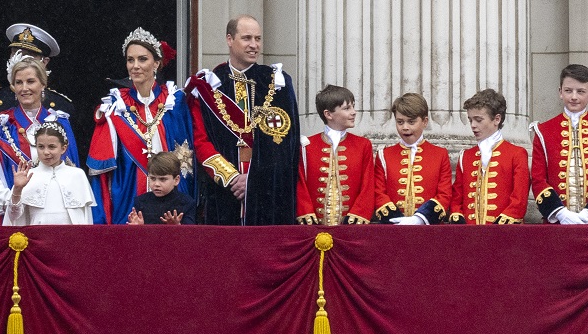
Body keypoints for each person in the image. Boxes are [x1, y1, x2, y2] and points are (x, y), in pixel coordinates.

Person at [185, 14, 301, 225]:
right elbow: (200, 141)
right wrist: (231, 178)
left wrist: (254, 180)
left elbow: (285, 144)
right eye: (247, 38)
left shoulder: (278, 82)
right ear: (230, 39)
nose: (254, 45)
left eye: (258, 39)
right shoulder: (207, 86)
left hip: (268, 193)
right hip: (224, 192)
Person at [87, 27, 196, 224]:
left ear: (156, 63)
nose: (135, 66)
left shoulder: (174, 100)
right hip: (129, 191)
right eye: (130, 60)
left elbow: (185, 155)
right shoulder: (116, 105)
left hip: (169, 193)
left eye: (142, 59)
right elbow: (104, 165)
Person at [0, 56, 80, 225]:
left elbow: (71, 173)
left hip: (53, 216)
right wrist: (12, 200)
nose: (24, 88)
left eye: (30, 81)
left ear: (43, 84)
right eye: (19, 82)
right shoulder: (0, 126)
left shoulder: (60, 123)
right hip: (11, 215)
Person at [530, 64, 588, 224]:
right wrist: (559, 213)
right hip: (557, 224)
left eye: (581, 91)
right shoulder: (543, 130)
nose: (574, 97)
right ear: (560, 92)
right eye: (568, 90)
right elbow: (538, 178)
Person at [296, 85, 375, 225]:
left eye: (353, 107)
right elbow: (300, 183)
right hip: (314, 227)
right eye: (347, 108)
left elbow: (368, 184)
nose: (354, 112)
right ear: (328, 114)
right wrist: (305, 212)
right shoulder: (307, 145)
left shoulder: (363, 145)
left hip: (351, 227)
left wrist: (359, 213)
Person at [449, 88, 529, 224]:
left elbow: (519, 199)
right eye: (470, 120)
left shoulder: (516, 154)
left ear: (496, 119)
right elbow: (457, 197)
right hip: (470, 236)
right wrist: (457, 215)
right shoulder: (466, 156)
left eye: (478, 120)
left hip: (505, 235)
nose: (473, 125)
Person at [372, 92, 453, 225]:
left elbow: (444, 194)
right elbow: (378, 192)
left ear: (425, 122)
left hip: (429, 230)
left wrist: (420, 219)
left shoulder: (440, 154)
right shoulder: (384, 155)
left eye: (411, 122)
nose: (405, 127)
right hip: (392, 229)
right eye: (400, 122)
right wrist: (397, 220)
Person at [0, 23, 76, 121]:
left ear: (44, 62)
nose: (21, 60)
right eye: (16, 53)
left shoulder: (61, 107)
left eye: (29, 55)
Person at [4, 122, 95, 226]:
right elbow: (13, 218)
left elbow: (86, 218)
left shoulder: (77, 175)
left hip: (70, 238)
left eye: (52, 147)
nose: (46, 152)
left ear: (63, 148)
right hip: (38, 238)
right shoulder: (29, 176)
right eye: (41, 147)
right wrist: (17, 189)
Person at [126, 151, 196, 225]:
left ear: (176, 180)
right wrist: (138, 228)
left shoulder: (187, 203)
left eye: (162, 179)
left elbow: (190, 234)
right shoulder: (141, 201)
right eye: (153, 178)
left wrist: (177, 227)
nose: (156, 184)